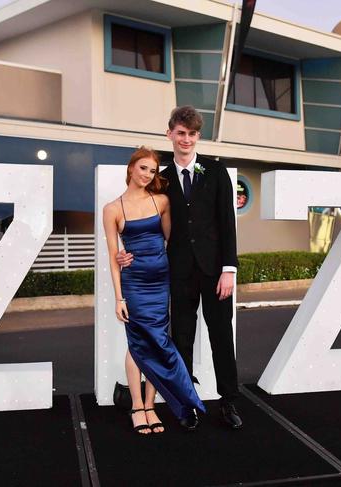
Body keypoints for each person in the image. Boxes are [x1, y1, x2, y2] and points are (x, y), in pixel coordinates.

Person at [118, 106, 243, 430]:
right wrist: (128, 252)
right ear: (170, 133)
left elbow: (227, 223)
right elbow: (143, 218)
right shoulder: (161, 179)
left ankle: (229, 402)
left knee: (221, 336)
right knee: (181, 339)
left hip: (216, 272)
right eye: (180, 133)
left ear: (198, 136)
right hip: (178, 271)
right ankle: (188, 405)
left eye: (192, 134)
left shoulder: (216, 171)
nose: (186, 139)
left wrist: (229, 269)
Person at [103, 146, 206, 435]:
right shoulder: (112, 209)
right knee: (137, 342)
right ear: (131, 168)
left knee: (158, 341)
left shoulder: (161, 201)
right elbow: (114, 257)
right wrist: (119, 297)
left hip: (160, 281)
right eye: (143, 168)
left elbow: (171, 241)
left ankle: (151, 406)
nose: (148, 174)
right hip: (134, 284)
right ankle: (137, 406)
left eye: (152, 170)